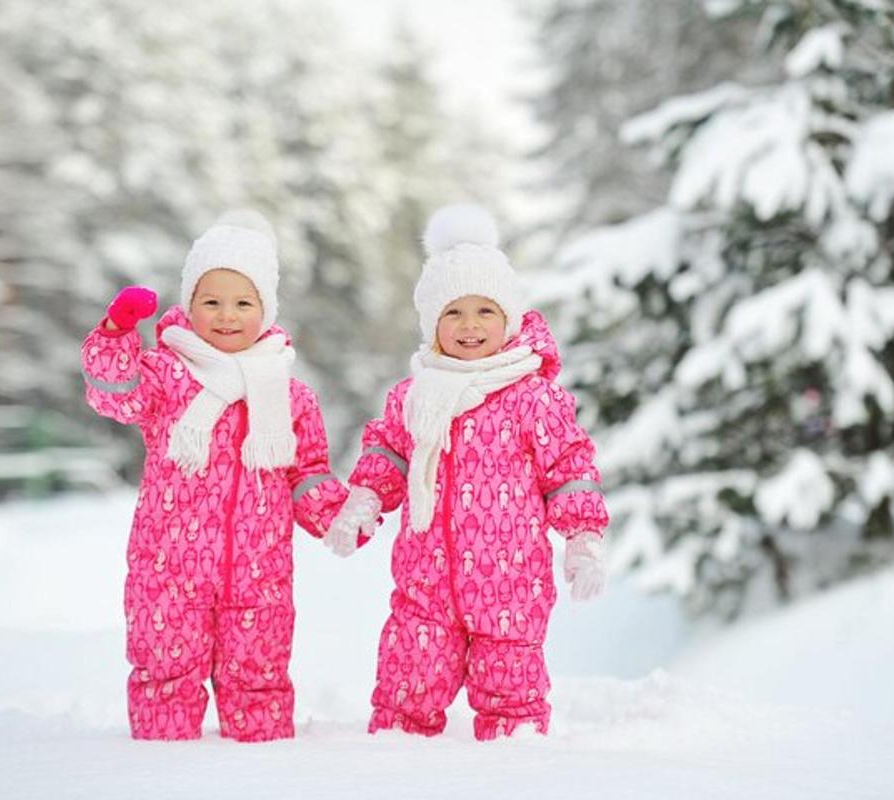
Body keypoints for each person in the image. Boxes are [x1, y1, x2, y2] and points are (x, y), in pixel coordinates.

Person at [324, 204, 610, 740]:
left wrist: (583, 536)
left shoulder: (532, 397)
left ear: (509, 319)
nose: (470, 326)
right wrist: (363, 500)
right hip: (425, 583)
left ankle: (510, 770)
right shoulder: (414, 395)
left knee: (512, 698)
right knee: (407, 685)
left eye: (485, 312)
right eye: (453, 313)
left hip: (511, 587)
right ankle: (393, 768)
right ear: (433, 325)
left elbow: (569, 466)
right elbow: (386, 454)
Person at [81, 209, 348, 742]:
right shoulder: (166, 376)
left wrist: (340, 516)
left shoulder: (289, 395)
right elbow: (115, 394)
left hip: (259, 571)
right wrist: (115, 334)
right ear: (190, 305)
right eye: (211, 301)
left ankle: (260, 767)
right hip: (169, 566)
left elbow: (307, 471)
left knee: (258, 675)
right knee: (164, 668)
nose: (227, 315)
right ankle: (161, 762)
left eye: (243, 303)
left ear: (265, 310)